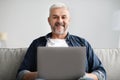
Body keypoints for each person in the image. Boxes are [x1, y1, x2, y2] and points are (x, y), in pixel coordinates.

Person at [16, 3, 106, 80]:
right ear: (49, 20)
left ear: (69, 20)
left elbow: (101, 73)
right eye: (55, 17)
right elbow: (21, 74)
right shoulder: (37, 43)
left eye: (63, 17)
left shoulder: (82, 43)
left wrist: (85, 76)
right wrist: (39, 74)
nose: (59, 21)